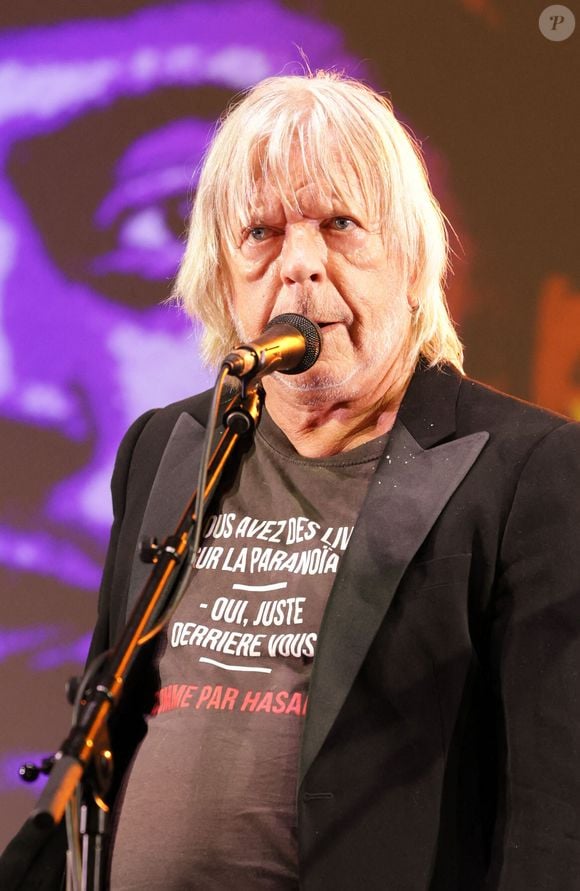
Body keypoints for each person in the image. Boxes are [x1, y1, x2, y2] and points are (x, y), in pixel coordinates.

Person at [3, 70, 580, 890]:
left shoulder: (525, 471)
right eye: (261, 233)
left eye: (340, 224)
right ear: (221, 274)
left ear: (413, 263)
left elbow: (552, 822)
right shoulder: (165, 448)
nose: (299, 266)